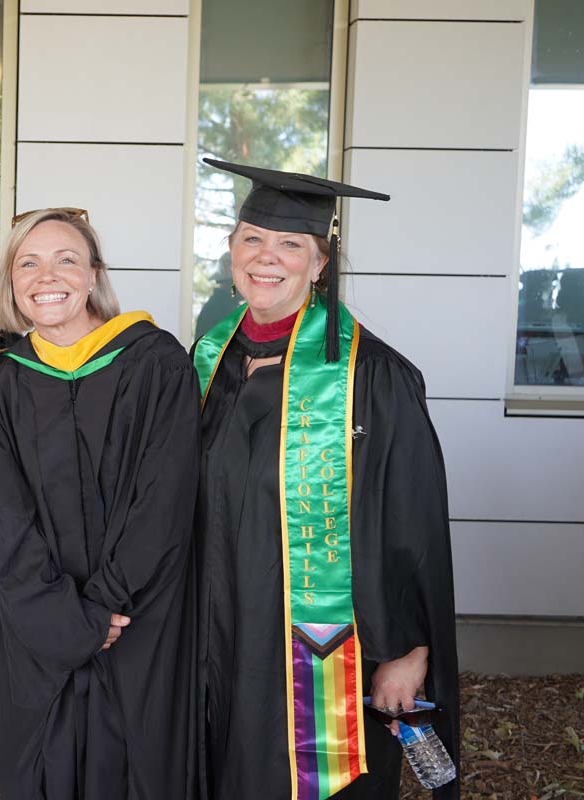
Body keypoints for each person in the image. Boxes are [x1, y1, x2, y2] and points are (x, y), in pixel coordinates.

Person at [191, 159, 460, 800]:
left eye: (291, 244)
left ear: (319, 264)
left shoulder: (374, 378)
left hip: (324, 653)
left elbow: (413, 522)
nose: (267, 257)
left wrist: (407, 647)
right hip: (217, 637)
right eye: (252, 239)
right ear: (231, 251)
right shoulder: (206, 362)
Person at [0, 208, 200, 799]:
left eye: (66, 259)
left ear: (94, 273)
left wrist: (101, 608)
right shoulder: (4, 381)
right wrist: (64, 618)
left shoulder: (156, 363)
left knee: (135, 762)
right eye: (28, 262)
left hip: (138, 617)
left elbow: (164, 498)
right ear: (11, 283)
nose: (46, 275)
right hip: (40, 623)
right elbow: (5, 515)